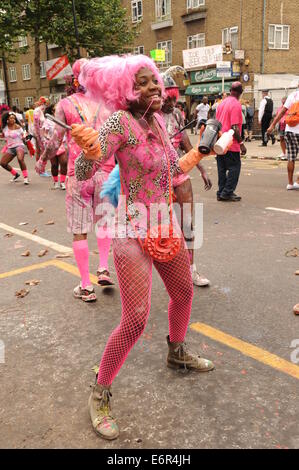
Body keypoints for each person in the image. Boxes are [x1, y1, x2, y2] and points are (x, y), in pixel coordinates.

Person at [71, 54, 215, 440]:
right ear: (125, 90)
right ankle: (99, 392)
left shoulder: (158, 123)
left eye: (154, 80)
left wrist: (201, 151)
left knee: (184, 292)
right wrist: (86, 149)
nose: (153, 87)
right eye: (143, 82)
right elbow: (88, 170)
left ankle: (176, 351)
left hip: (164, 225)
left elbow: (170, 172)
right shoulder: (119, 122)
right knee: (135, 318)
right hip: (131, 229)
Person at [36, 58, 115, 301]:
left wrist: (41, 160)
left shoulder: (66, 104)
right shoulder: (108, 103)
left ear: (73, 79)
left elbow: (56, 140)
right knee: (104, 222)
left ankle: (85, 286)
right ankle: (103, 267)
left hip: (79, 174)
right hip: (106, 172)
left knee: (79, 230)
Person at [161, 75, 211, 287]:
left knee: (188, 223)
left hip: (180, 172)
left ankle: (191, 270)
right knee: (160, 226)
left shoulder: (177, 115)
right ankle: (169, 271)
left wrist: (201, 169)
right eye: (168, 99)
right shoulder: (149, 117)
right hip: (158, 177)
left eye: (174, 98)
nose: (171, 103)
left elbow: (187, 145)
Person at [216, 81, 247, 201]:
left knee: (222, 169)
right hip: (230, 143)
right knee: (235, 167)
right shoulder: (236, 104)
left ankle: (221, 192)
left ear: (230, 91)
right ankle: (227, 192)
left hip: (219, 142)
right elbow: (234, 127)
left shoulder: (222, 103)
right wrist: (242, 144)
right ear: (240, 92)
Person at [267, 86, 299, 190]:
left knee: (291, 158)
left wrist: (272, 125)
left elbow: (282, 112)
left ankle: (290, 183)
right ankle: (298, 181)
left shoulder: (292, 96)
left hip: (290, 130)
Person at [41, 104, 68, 189]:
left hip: (61, 144)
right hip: (52, 144)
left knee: (64, 162)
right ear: (52, 111)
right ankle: (56, 182)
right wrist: (48, 138)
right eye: (56, 109)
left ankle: (62, 182)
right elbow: (44, 132)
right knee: (54, 165)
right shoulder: (48, 121)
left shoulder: (63, 119)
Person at [0, 112, 29, 184]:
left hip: (19, 146)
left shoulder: (18, 127)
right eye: (11, 118)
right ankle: (16, 174)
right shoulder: (5, 128)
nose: (13, 119)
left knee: (20, 159)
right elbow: (3, 135)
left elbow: (24, 137)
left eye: (14, 118)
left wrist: (26, 137)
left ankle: (26, 178)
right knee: (3, 163)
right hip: (10, 147)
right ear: (7, 120)